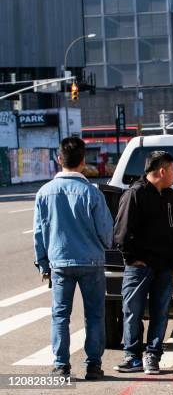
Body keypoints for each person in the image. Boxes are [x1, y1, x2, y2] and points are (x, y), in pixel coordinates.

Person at [33, 137, 113, 380]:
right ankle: (93, 365)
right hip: (91, 262)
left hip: (59, 263)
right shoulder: (92, 193)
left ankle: (61, 365)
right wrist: (101, 247)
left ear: (59, 159)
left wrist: (43, 263)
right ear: (82, 162)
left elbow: (39, 232)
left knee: (60, 315)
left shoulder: (44, 192)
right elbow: (106, 231)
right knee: (95, 315)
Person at [113, 151, 173, 374]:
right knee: (132, 311)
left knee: (160, 312)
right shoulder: (135, 194)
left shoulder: (171, 197)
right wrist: (131, 258)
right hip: (139, 267)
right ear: (162, 171)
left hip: (165, 266)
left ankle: (153, 356)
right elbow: (121, 231)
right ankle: (132, 357)